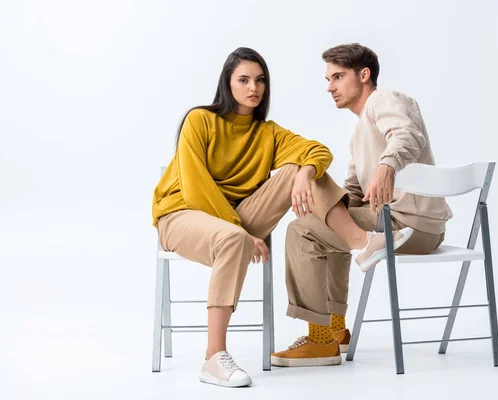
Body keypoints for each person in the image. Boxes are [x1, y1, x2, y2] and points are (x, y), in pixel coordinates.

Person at [151, 47, 413, 387]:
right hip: (184, 214)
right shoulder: (200, 120)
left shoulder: (267, 133)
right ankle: (213, 357)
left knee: (302, 168)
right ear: (227, 83)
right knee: (232, 237)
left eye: (259, 80)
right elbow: (198, 188)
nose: (253, 88)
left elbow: (319, 151)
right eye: (243, 80)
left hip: (236, 218)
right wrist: (238, 232)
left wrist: (304, 172)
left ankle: (361, 243)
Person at [271, 43, 452, 367]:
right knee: (325, 221)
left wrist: (387, 166)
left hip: (408, 225)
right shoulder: (359, 131)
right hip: (405, 224)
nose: (330, 87)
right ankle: (336, 331)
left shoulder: (385, 99)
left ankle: (320, 339)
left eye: (338, 77)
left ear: (364, 75)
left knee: (302, 232)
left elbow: (408, 136)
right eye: (328, 79)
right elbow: (354, 189)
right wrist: (325, 203)